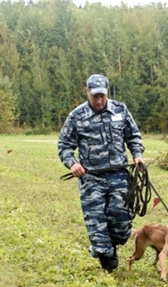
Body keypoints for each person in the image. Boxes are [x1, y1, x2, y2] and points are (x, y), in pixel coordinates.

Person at [58, 74, 145, 273]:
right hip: (91, 178)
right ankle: (106, 258)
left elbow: (133, 136)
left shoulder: (120, 110)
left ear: (107, 92)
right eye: (95, 96)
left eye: (102, 96)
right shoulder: (77, 116)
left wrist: (137, 155)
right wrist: (72, 163)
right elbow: (64, 145)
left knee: (122, 222)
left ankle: (112, 244)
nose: (99, 101)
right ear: (87, 92)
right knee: (96, 223)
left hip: (119, 175)